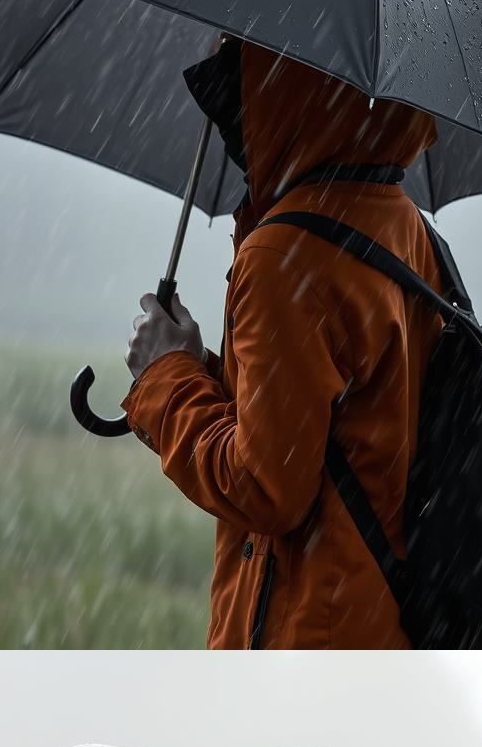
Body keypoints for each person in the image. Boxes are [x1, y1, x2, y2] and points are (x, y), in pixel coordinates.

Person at [119, 37, 447, 650]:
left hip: (306, 639)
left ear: (283, 87)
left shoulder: (284, 258)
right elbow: (333, 424)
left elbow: (267, 488)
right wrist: (196, 367)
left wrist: (165, 380)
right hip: (379, 625)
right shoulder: (400, 225)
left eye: (242, 67)